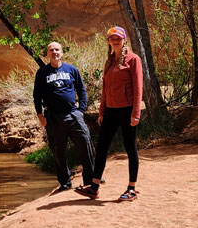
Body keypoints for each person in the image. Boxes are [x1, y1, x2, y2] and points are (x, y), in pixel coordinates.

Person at [32, 40, 97, 193]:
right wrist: (40, 114)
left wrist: (81, 109)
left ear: (62, 53)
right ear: (48, 54)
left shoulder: (71, 70)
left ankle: (90, 178)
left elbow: (81, 90)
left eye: (57, 50)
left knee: (85, 143)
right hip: (53, 118)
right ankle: (65, 183)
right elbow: (37, 96)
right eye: (51, 50)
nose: (54, 52)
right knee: (58, 151)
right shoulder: (42, 73)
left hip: (73, 115)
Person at [92, 26, 144, 201]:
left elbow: (138, 88)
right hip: (111, 111)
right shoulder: (109, 61)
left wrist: (136, 113)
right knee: (102, 147)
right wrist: (102, 111)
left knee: (130, 148)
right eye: (112, 38)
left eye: (118, 38)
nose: (115, 41)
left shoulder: (133, 59)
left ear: (124, 40)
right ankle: (94, 187)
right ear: (108, 41)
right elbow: (105, 89)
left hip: (127, 109)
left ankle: (131, 189)